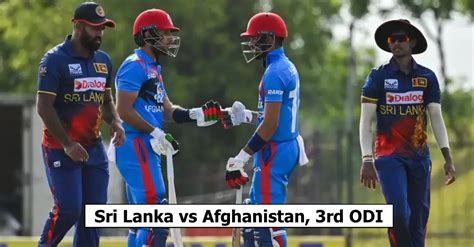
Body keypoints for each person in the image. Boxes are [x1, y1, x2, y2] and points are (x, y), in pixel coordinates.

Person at [111, 9, 222, 247]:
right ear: (148, 34)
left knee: (141, 220)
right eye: (164, 34)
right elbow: (123, 110)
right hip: (135, 144)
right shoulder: (134, 65)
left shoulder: (153, 68)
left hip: (147, 145)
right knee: (156, 213)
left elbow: (167, 110)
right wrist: (155, 131)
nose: (170, 39)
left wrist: (195, 114)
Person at [359, 19, 456, 247]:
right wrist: (366, 159)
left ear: (412, 42)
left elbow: (436, 118)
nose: (396, 44)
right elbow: (365, 122)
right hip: (388, 157)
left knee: (419, 217)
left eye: (401, 39)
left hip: (419, 158)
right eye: (392, 40)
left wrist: (448, 158)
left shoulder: (427, 77)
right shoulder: (378, 77)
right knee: (398, 212)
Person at [36, 2, 125, 247]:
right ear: (77, 26)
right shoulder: (54, 60)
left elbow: (106, 101)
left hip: (93, 150)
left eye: (103, 28)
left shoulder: (104, 61)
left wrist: (116, 121)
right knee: (69, 210)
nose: (100, 34)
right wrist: (67, 144)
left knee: (93, 217)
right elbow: (43, 107)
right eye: (94, 28)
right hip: (60, 147)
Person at [222, 12, 308, 247]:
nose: (250, 43)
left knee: (267, 223)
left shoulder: (275, 73)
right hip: (280, 146)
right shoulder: (283, 66)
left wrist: (241, 157)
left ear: (269, 39)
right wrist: (246, 116)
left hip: (275, 151)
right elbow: (273, 117)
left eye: (254, 38)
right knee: (252, 223)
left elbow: (270, 124)